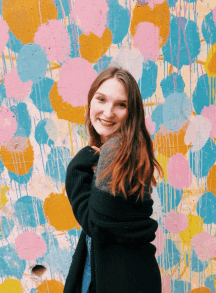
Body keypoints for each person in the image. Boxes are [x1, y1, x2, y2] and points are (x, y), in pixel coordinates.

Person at [64, 67, 163, 293]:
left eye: (121, 104)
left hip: (123, 279)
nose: (108, 112)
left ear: (132, 112)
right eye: (101, 99)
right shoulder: (126, 148)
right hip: (120, 270)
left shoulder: (115, 149)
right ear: (91, 101)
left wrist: (76, 169)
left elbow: (94, 226)